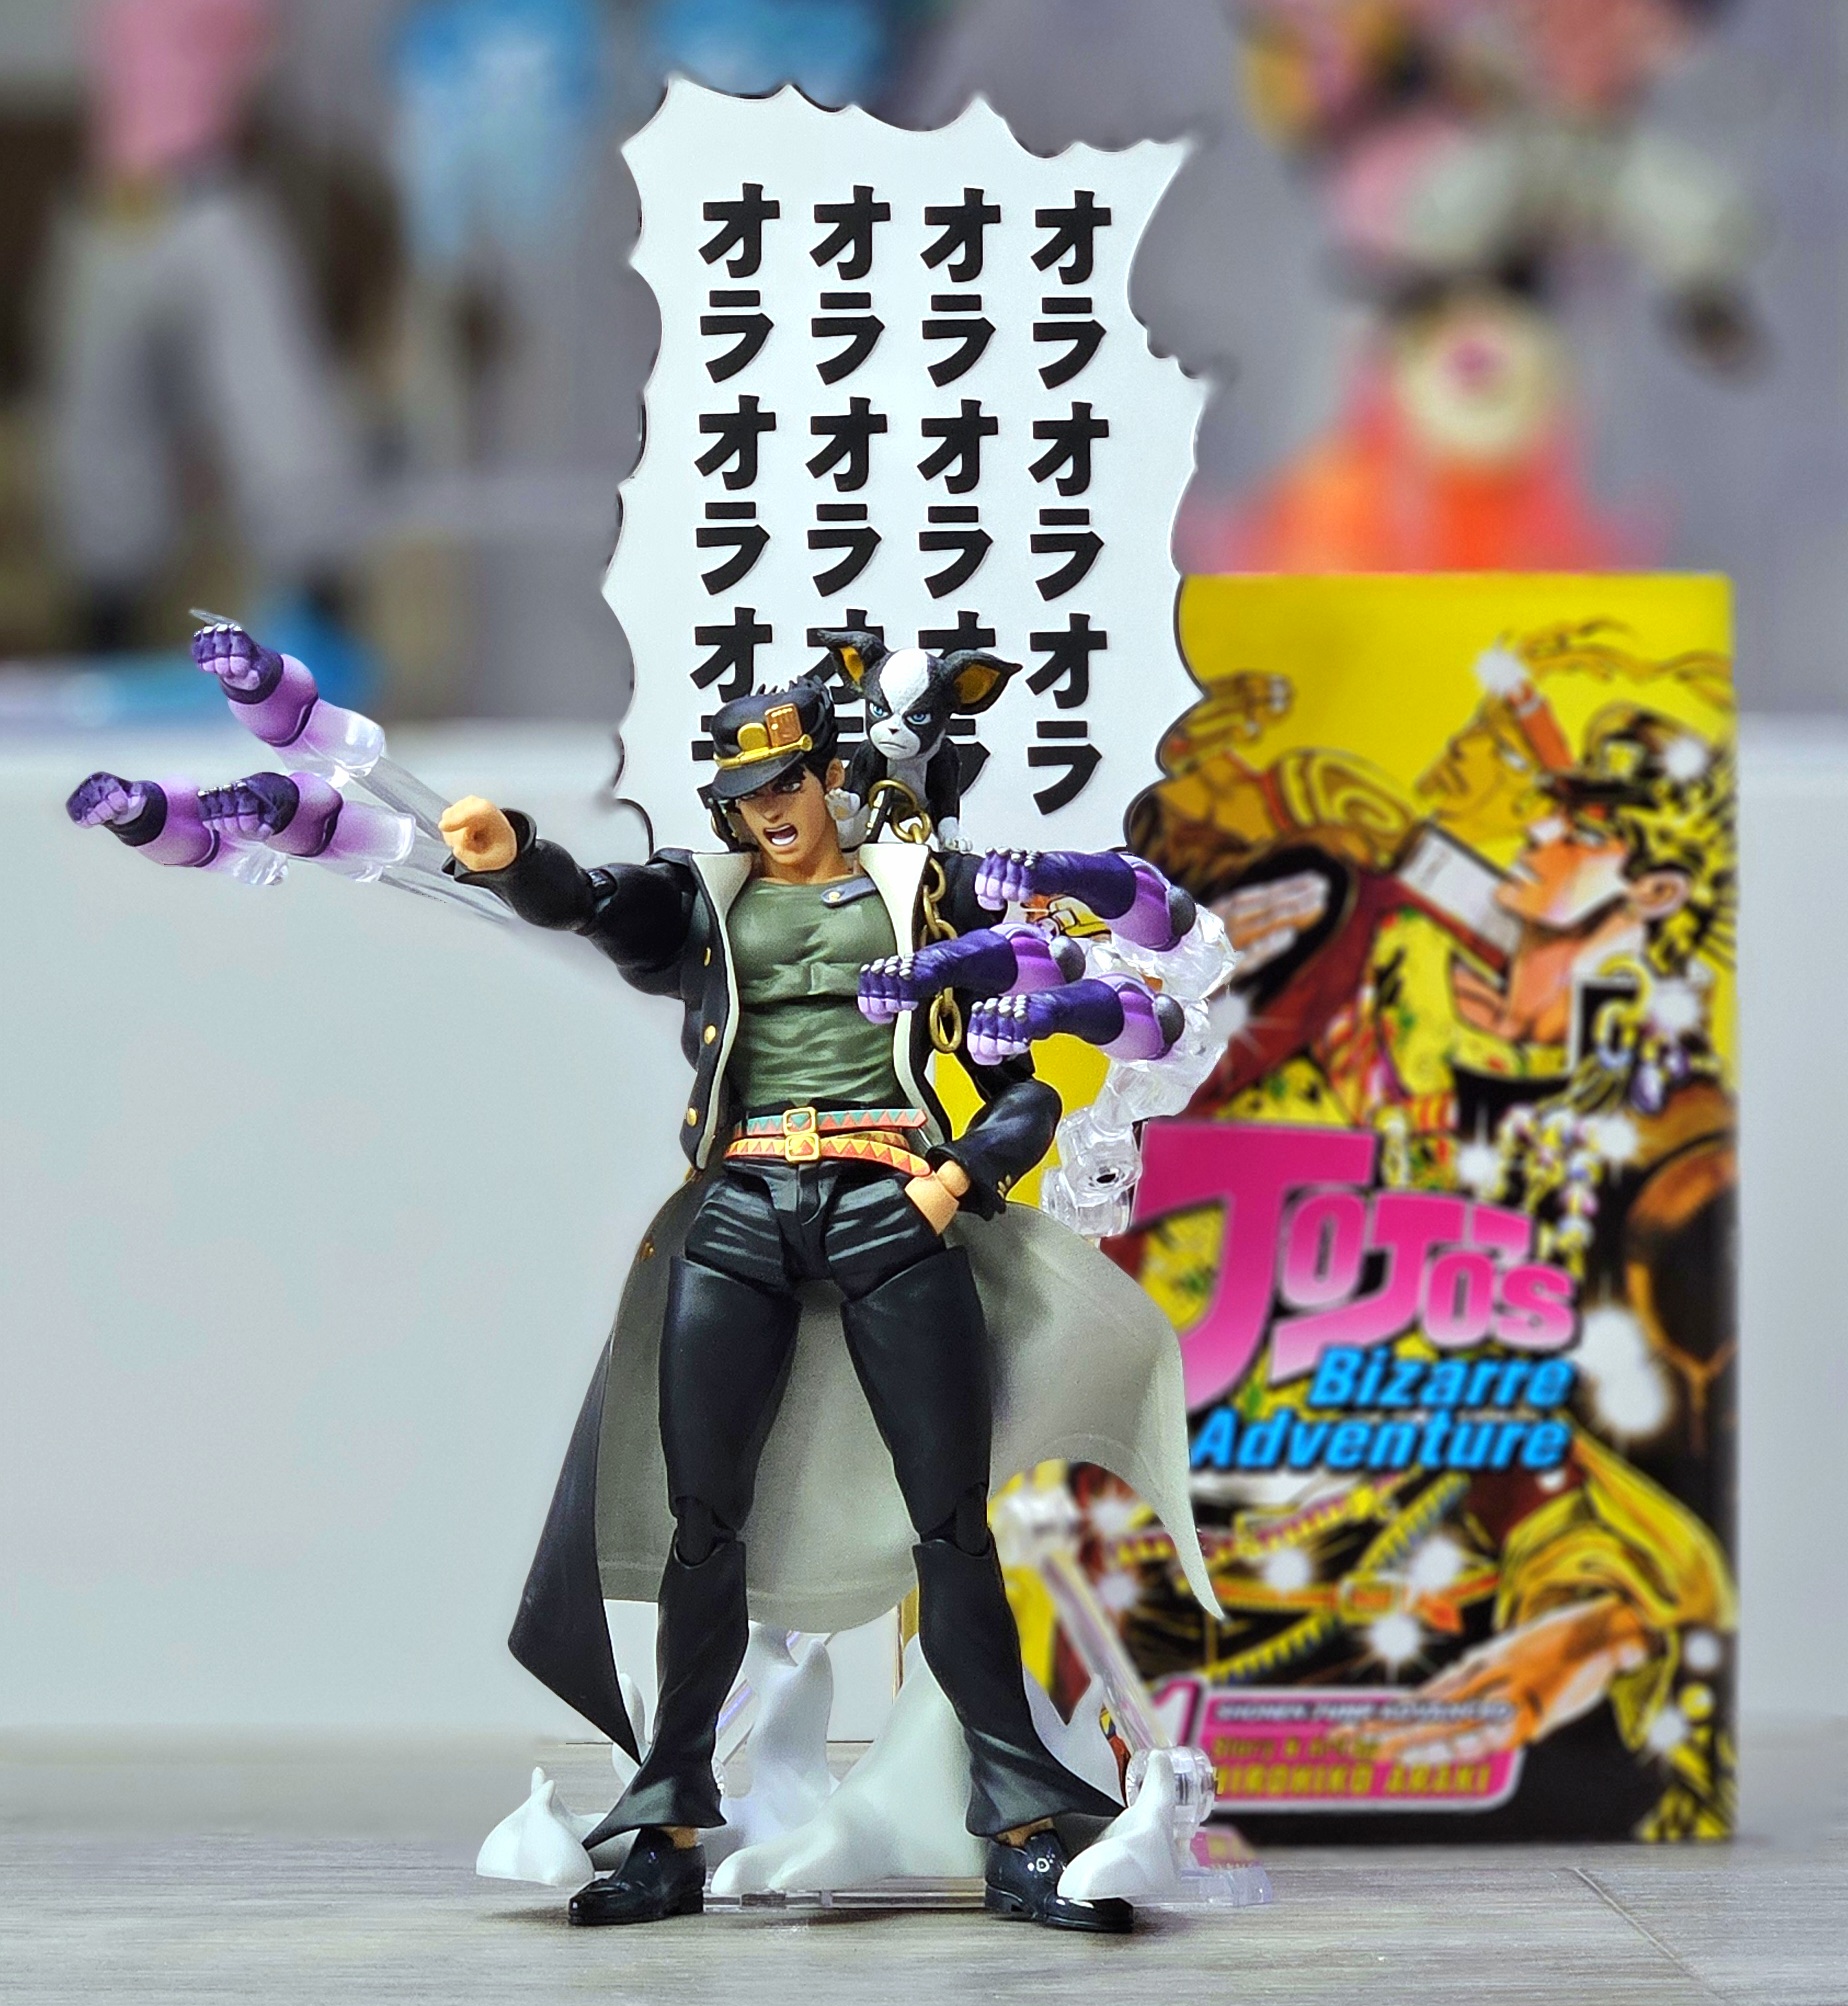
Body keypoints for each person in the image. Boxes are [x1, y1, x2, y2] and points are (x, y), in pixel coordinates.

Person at [439, 674, 1215, 1929]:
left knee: (950, 1519)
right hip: (743, 1201)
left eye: (787, 781)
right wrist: (512, 853)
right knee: (703, 1521)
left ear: (828, 776)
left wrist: (955, 1179)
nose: (770, 809)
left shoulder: (925, 895)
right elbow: (590, 902)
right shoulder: (705, 897)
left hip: (888, 1192)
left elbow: (1024, 1079)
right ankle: (667, 1825)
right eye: (747, 793)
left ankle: (1021, 1822)